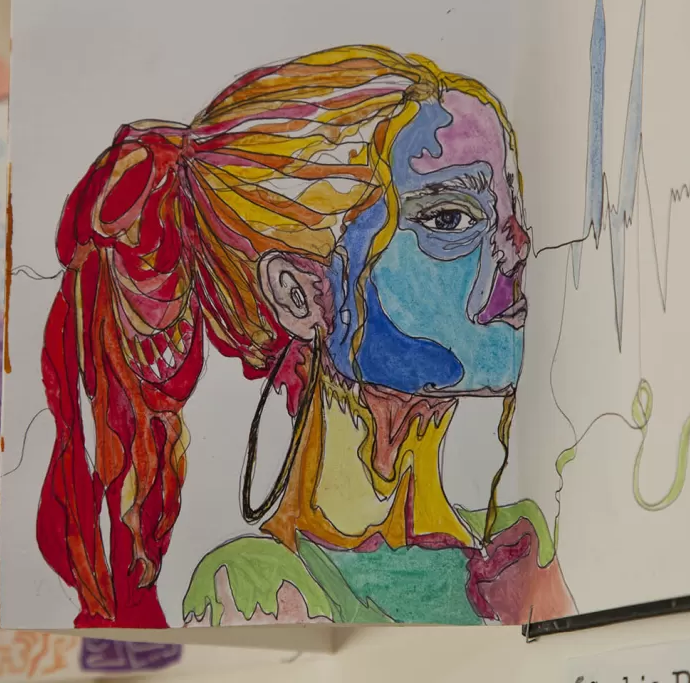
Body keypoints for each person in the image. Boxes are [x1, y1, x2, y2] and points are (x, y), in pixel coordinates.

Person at [37, 45, 575, 629]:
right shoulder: (257, 589)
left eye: (511, 213)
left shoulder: (526, 544)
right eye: (449, 219)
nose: (516, 249)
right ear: (303, 296)